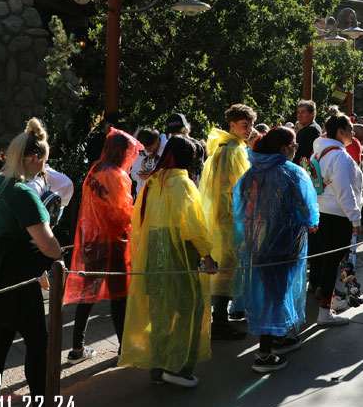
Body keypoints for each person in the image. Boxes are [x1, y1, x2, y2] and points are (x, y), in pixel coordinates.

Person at [0, 118, 73, 407]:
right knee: (38, 342)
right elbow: (49, 245)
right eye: (43, 162)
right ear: (32, 158)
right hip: (17, 276)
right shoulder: (22, 194)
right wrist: (60, 253)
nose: (43, 168)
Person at [120, 136, 218, 387]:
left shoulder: (153, 181)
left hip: (154, 250)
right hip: (179, 252)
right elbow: (193, 226)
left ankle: (158, 367)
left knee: (160, 311)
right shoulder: (182, 184)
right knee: (188, 309)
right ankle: (178, 367)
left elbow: (139, 220)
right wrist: (207, 253)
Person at [232, 127, 319, 373]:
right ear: (283, 148)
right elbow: (307, 210)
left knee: (271, 291)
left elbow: (241, 209)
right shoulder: (292, 173)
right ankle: (264, 354)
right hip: (284, 244)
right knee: (276, 294)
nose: (295, 148)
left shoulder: (251, 173)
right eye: (292, 144)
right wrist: (312, 223)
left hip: (257, 243)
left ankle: (279, 336)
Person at [65, 129, 142, 361]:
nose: (131, 156)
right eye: (129, 152)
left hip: (91, 241)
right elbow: (121, 214)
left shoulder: (95, 170)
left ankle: (77, 348)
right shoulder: (116, 175)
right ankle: (123, 349)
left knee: (87, 297)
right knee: (120, 297)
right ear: (121, 152)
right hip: (113, 243)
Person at [199, 104, 254, 339]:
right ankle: (220, 322)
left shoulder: (226, 147)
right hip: (229, 219)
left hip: (225, 218)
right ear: (232, 124)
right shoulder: (231, 150)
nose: (249, 130)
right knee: (225, 271)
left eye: (250, 125)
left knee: (225, 270)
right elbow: (233, 189)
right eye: (245, 125)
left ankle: (221, 319)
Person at [311, 113, 363, 325]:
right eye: (350, 130)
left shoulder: (317, 153)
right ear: (340, 132)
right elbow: (344, 190)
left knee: (325, 262)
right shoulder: (339, 155)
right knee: (332, 264)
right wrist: (355, 218)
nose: (353, 134)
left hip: (320, 213)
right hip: (337, 215)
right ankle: (325, 312)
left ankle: (328, 303)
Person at [164, 112, 205, 183]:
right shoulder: (170, 145)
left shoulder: (196, 146)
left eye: (179, 132)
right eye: (173, 133)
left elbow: (197, 172)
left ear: (186, 128)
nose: (176, 135)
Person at [130, 128, 166, 197]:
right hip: (143, 195)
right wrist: (139, 176)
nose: (147, 151)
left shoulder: (166, 149)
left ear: (157, 141)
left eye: (150, 148)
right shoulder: (140, 151)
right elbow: (133, 174)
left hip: (161, 195)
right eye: (145, 149)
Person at [294, 100, 322, 167]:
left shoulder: (311, 130)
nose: (299, 115)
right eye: (298, 112)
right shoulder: (307, 129)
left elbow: (303, 156)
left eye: (303, 112)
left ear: (312, 113)